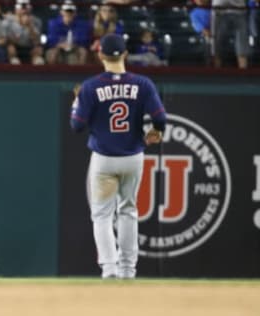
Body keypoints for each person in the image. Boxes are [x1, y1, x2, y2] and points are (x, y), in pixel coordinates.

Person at [70, 34, 166, 279]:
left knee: (102, 214)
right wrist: (156, 132)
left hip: (103, 156)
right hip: (133, 156)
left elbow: (77, 125)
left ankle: (110, 268)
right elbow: (160, 118)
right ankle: (127, 269)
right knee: (128, 210)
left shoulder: (91, 86)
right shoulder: (142, 84)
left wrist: (75, 104)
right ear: (124, 54)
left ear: (100, 54)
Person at [45, 0, 91, 65]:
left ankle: (80, 73)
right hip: (58, 48)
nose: (68, 14)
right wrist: (60, 45)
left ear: (75, 13)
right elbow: (51, 41)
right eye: (66, 11)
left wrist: (74, 44)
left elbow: (84, 41)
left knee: (83, 52)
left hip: (75, 48)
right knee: (52, 53)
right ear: (61, 12)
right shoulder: (53, 23)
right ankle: (51, 73)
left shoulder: (82, 24)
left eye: (71, 11)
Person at [2, 0, 44, 65]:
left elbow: (37, 40)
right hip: (15, 46)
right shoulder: (7, 21)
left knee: (38, 48)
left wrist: (29, 26)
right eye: (22, 8)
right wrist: (20, 24)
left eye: (26, 8)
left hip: (29, 46)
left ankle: (37, 66)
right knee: (10, 47)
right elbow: (6, 39)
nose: (24, 10)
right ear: (16, 9)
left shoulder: (36, 20)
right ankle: (14, 62)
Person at [211, 0, 249, 68]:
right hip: (219, 11)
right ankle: (216, 74)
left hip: (239, 10)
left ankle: (244, 74)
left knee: (242, 46)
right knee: (217, 45)